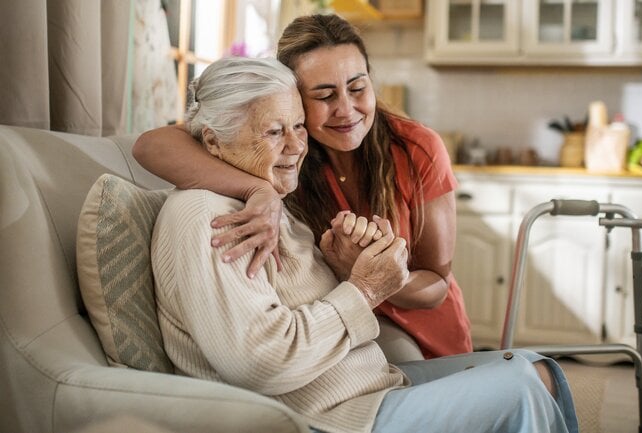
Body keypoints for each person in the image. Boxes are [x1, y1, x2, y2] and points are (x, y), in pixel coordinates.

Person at [151, 55, 578, 433]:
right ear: (211, 141)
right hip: (335, 417)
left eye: (298, 126)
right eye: (274, 132)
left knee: (535, 368)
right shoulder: (214, 220)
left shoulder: (263, 197)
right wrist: (364, 288)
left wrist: (343, 267)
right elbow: (262, 360)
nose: (297, 145)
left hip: (368, 388)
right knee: (519, 388)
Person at [134, 13, 471, 359]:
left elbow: (437, 285)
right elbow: (151, 145)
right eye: (324, 95)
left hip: (428, 333)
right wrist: (258, 191)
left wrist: (380, 276)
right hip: (344, 331)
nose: (346, 110)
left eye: (358, 88)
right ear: (294, 97)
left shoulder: (416, 148)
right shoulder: (288, 156)